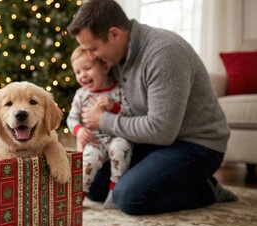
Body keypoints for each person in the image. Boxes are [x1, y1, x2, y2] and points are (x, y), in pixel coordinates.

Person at [67, 0, 237, 215]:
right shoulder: (115, 58)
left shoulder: (164, 54)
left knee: (128, 197)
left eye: (93, 49)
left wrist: (103, 120)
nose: (91, 56)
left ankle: (208, 190)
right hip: (153, 141)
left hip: (197, 145)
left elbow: (161, 131)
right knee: (97, 186)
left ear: (114, 34)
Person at [67, 46, 133, 208]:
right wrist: (79, 130)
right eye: (77, 72)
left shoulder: (118, 90)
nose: (82, 75)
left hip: (116, 137)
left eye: (87, 68)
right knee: (87, 160)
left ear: (105, 67)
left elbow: (130, 114)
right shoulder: (81, 95)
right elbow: (71, 118)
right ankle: (78, 196)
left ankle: (114, 192)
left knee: (121, 149)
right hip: (94, 141)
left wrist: (113, 107)